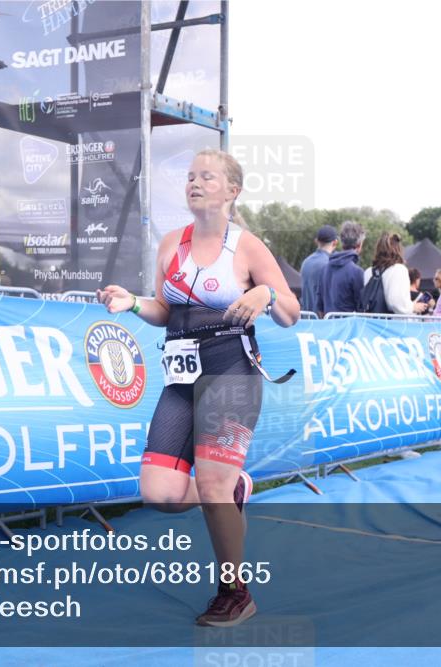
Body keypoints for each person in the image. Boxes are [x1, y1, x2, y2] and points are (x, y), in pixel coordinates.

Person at [96, 149, 300, 627]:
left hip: (230, 369)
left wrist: (266, 293)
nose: (195, 183)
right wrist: (131, 303)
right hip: (180, 376)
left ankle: (235, 592)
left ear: (232, 190)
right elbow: (166, 312)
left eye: (207, 176)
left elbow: (291, 313)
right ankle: (233, 490)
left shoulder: (247, 246)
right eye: (190, 176)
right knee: (159, 493)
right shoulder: (171, 244)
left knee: (209, 483)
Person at [362, 233, 428, 315]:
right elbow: (397, 303)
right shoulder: (398, 269)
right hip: (391, 324)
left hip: (370, 322)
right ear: (398, 249)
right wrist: (413, 307)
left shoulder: (369, 271)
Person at [316, 221, 365, 315]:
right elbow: (361, 308)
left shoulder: (324, 269)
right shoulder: (357, 272)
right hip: (349, 327)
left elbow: (320, 307)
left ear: (342, 243)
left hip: (329, 326)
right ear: (359, 245)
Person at [298, 225, 337, 313]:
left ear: (316, 241)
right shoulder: (329, 264)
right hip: (321, 322)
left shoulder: (306, 262)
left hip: (306, 318)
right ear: (335, 242)